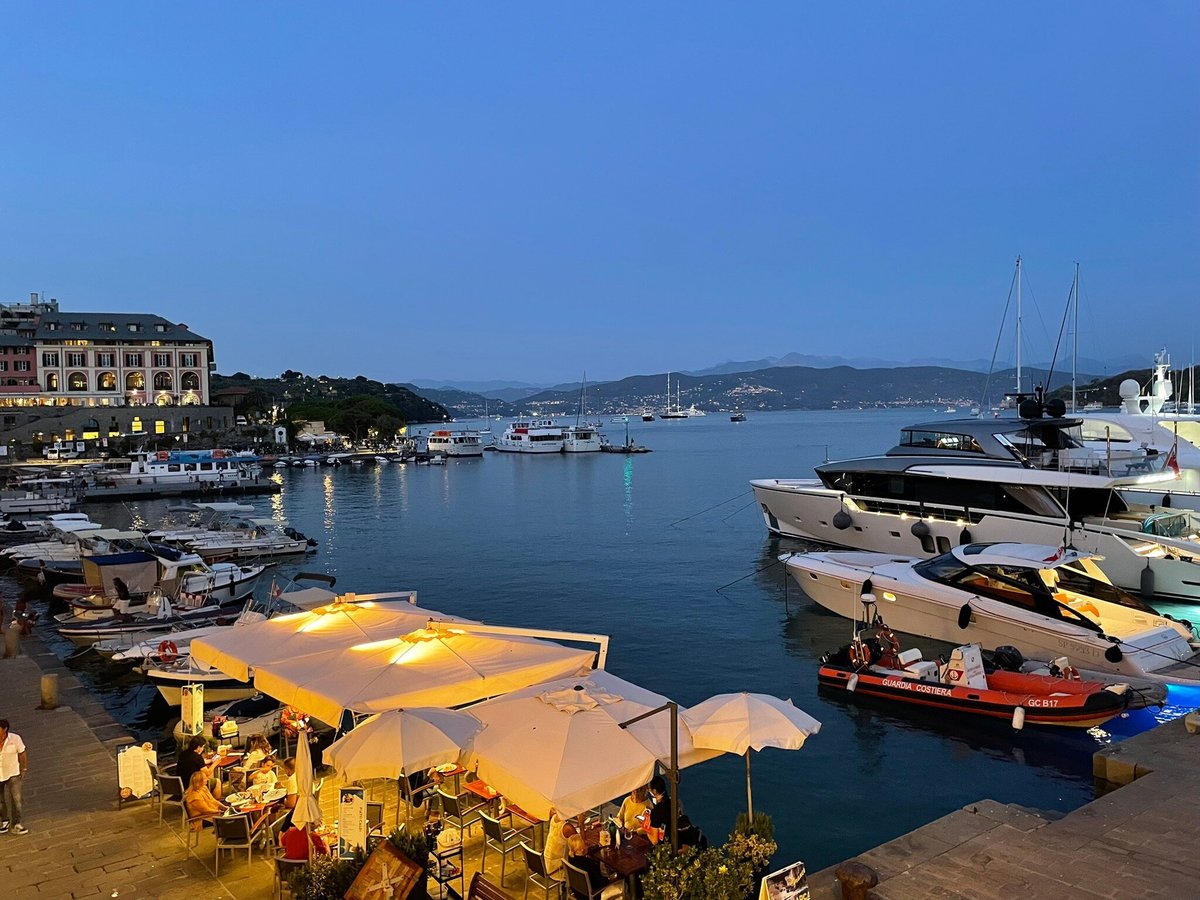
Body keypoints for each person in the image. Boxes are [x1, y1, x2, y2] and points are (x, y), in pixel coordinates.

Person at [565, 833, 622, 899]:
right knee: (621, 877)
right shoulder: (588, 864)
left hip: (578, 892)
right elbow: (601, 881)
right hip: (594, 893)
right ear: (582, 848)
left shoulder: (570, 858)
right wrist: (612, 878)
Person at [0, 718, 29, 835]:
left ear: (5, 730)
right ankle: (4, 820)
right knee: (0, 801)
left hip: (13, 772)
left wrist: (24, 768)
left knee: (16, 799)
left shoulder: (15, 739)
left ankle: (16, 823)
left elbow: (22, 753)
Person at [646, 775, 673, 845]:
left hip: (664, 847)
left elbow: (654, 841)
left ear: (654, 791)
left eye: (649, 789)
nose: (648, 791)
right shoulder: (672, 803)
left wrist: (645, 830)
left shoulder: (656, 812)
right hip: (674, 840)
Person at [543, 807, 568, 875]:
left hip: (547, 863)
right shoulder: (566, 827)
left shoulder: (554, 818)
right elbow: (580, 845)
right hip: (557, 868)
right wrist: (581, 823)